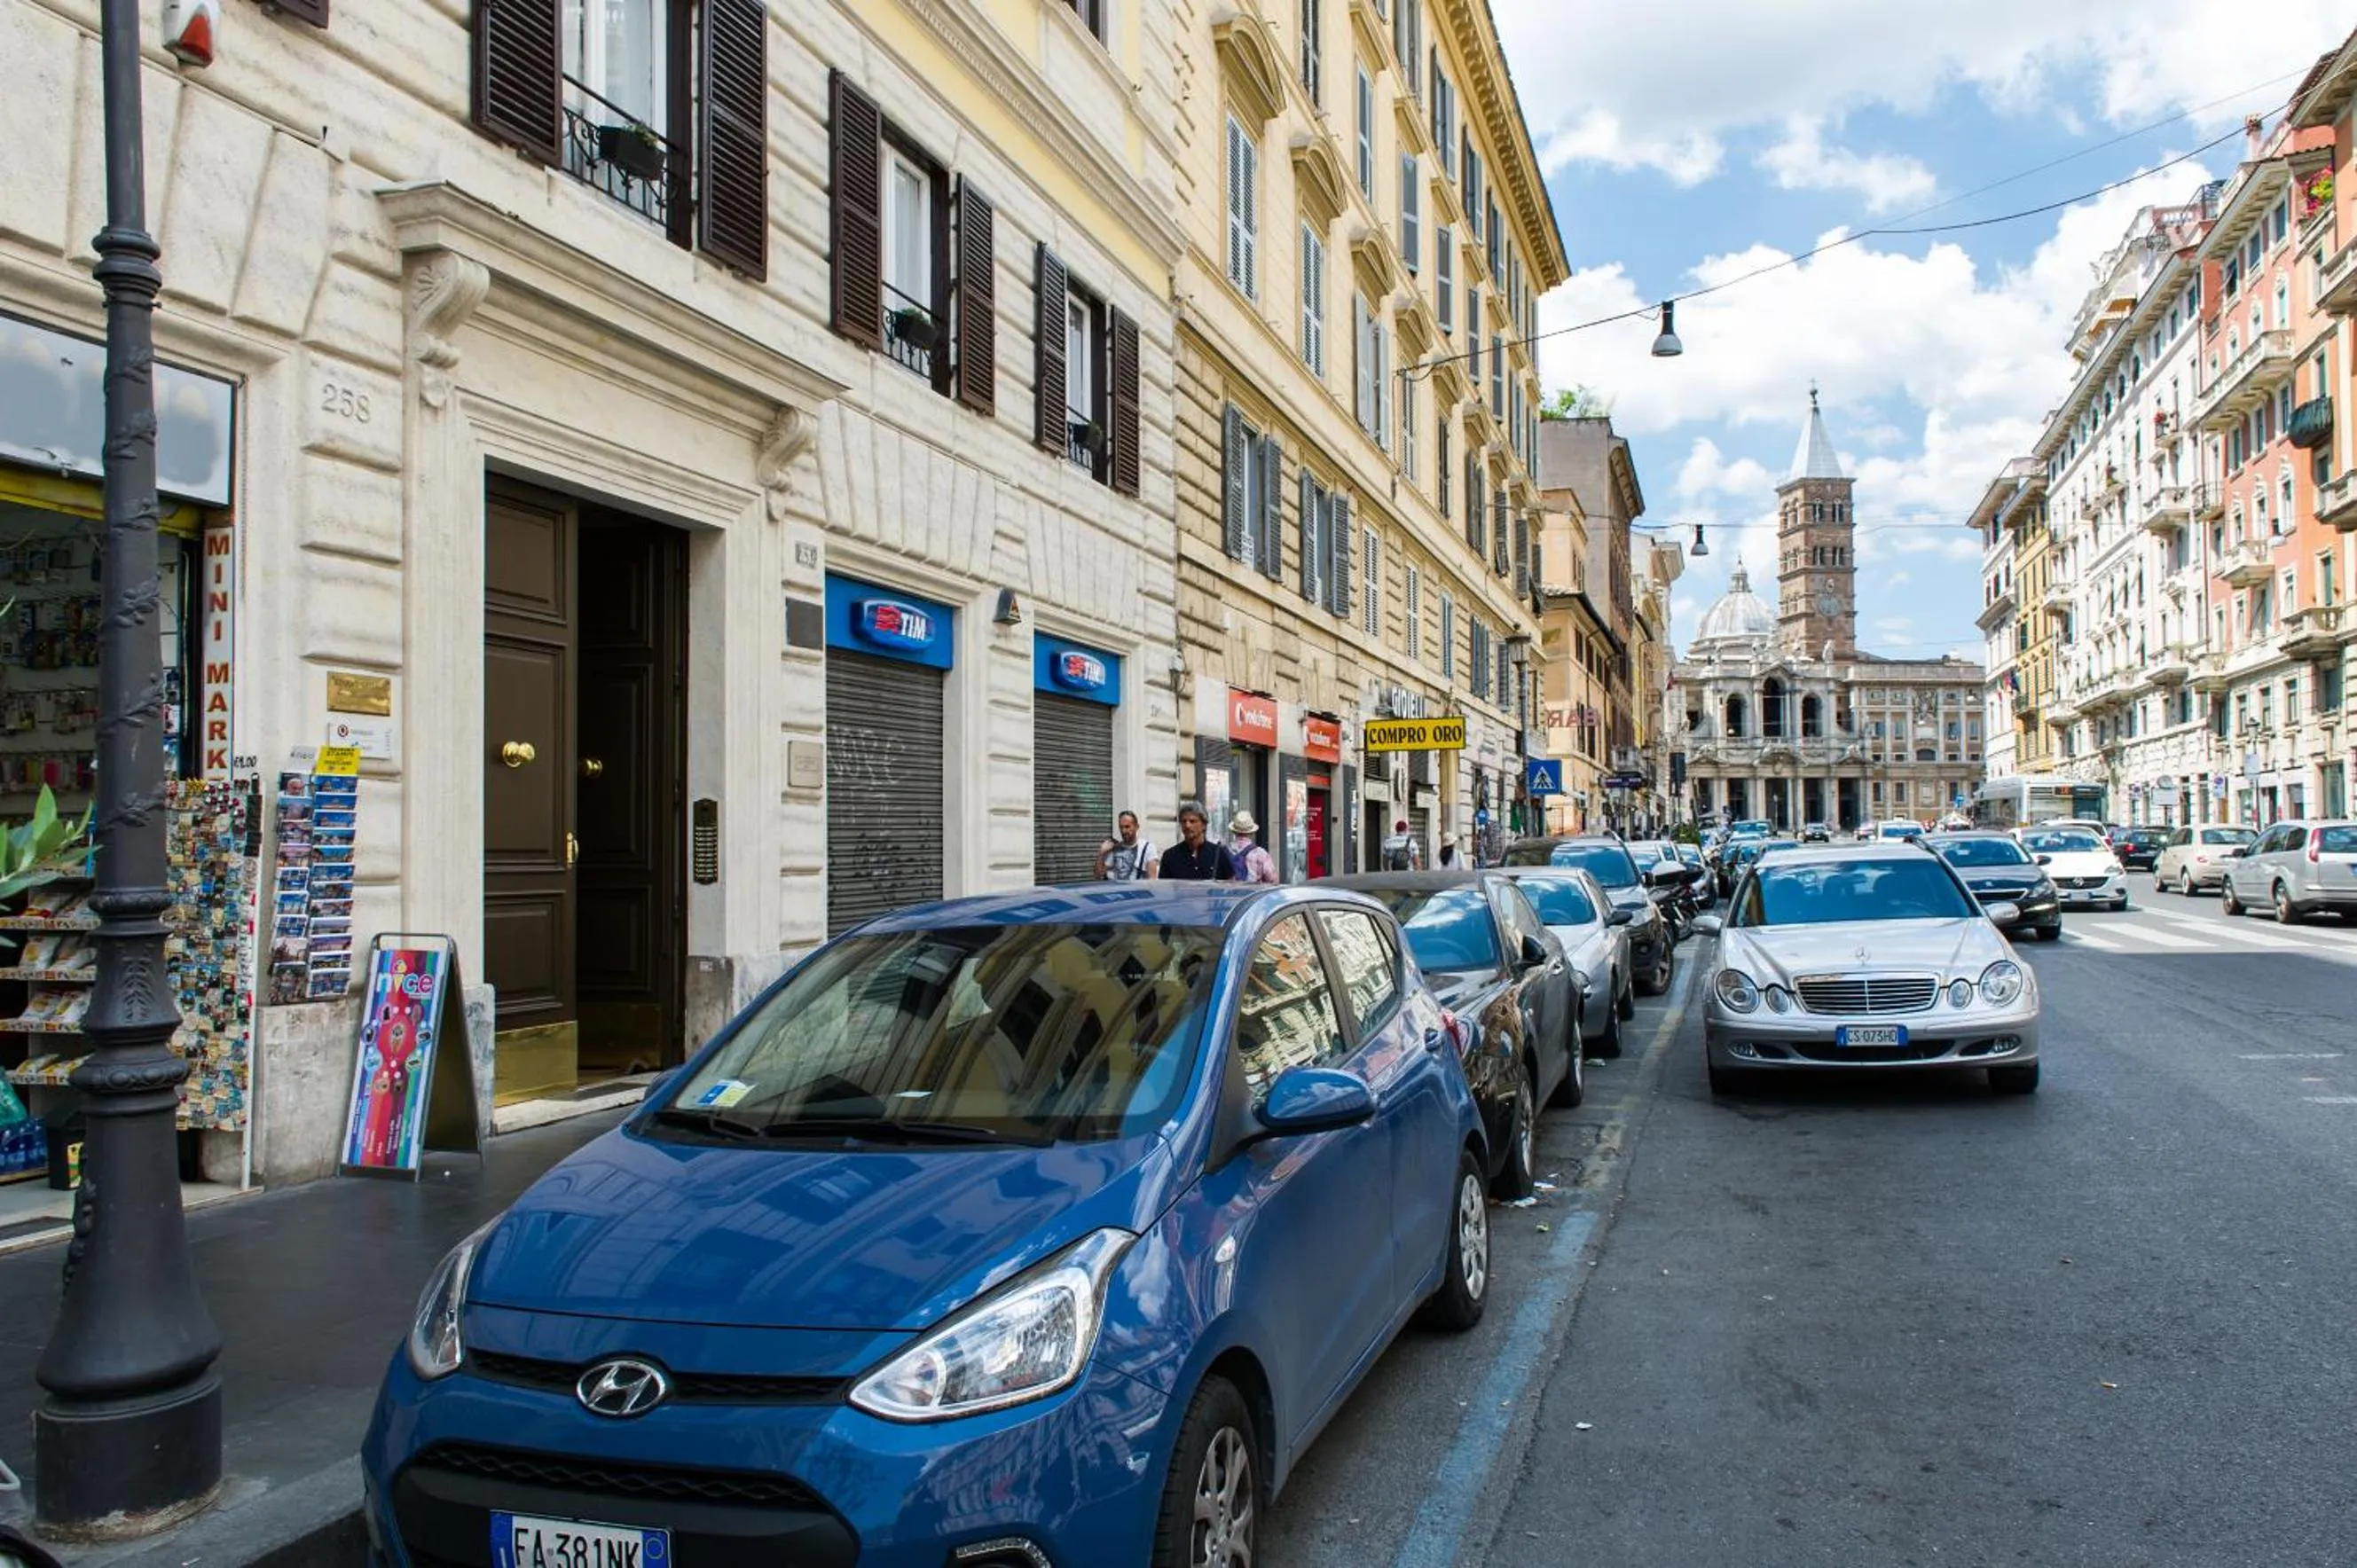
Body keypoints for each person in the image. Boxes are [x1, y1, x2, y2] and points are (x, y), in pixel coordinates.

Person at [1156, 800, 1235, 881]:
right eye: (1184, 821)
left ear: (1204, 825)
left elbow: (1230, 883)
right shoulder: (1170, 856)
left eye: (1192, 821)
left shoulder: (1218, 853)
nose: (1187, 825)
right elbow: (1163, 886)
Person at [1097, 811, 1159, 882]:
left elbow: (1152, 881)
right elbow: (1098, 876)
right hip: (1117, 888)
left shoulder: (1148, 848)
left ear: (1137, 827)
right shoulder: (1115, 848)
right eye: (1121, 827)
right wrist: (1101, 853)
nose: (1123, 831)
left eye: (1127, 827)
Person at [1227, 811, 1280, 884]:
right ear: (1252, 833)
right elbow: (1272, 879)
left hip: (1229, 891)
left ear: (1234, 832)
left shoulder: (1225, 851)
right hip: (1253, 890)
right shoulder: (1260, 853)